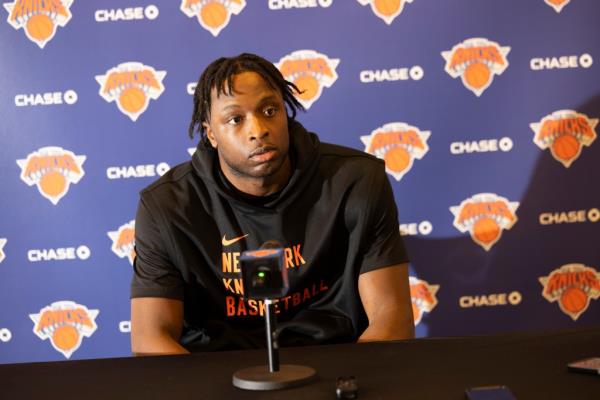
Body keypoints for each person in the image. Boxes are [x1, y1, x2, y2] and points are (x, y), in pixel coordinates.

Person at [130, 53, 414, 355]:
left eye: (269, 110)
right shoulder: (167, 207)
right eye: (235, 119)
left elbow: (391, 318)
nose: (258, 130)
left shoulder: (355, 182)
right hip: (216, 374)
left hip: (335, 365)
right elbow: (152, 338)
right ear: (210, 133)